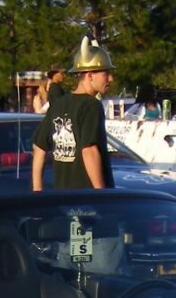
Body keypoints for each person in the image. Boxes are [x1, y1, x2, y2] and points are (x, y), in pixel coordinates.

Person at [31, 38, 115, 191]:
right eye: (106, 73)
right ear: (90, 75)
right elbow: (89, 150)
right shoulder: (92, 106)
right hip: (88, 201)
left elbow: (39, 148)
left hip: (64, 200)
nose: (111, 79)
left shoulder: (58, 104)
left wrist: (37, 192)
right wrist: (101, 196)